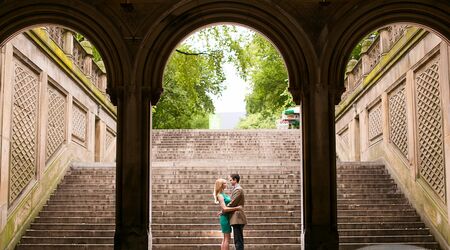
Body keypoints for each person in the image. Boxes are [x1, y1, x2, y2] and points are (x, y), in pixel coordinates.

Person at [214, 178, 242, 250]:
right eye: (224, 183)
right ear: (221, 185)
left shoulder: (223, 194)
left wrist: (223, 210)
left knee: (225, 238)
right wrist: (237, 208)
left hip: (226, 216)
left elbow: (225, 207)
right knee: (227, 239)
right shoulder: (220, 195)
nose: (226, 184)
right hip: (225, 218)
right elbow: (225, 208)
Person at [227, 174, 247, 250]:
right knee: (238, 239)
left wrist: (225, 208)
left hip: (237, 217)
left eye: (231, 180)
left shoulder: (238, 189)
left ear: (235, 180)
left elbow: (233, 202)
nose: (230, 182)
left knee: (238, 240)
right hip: (236, 217)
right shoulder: (236, 189)